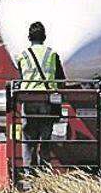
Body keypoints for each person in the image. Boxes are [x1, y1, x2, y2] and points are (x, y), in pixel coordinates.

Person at [15, 21, 65, 172]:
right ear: (44, 37)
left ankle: (29, 169)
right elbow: (61, 79)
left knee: (29, 136)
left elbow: (21, 76)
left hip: (28, 99)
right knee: (45, 134)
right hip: (47, 100)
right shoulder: (52, 54)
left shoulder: (23, 56)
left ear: (29, 37)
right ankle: (44, 167)